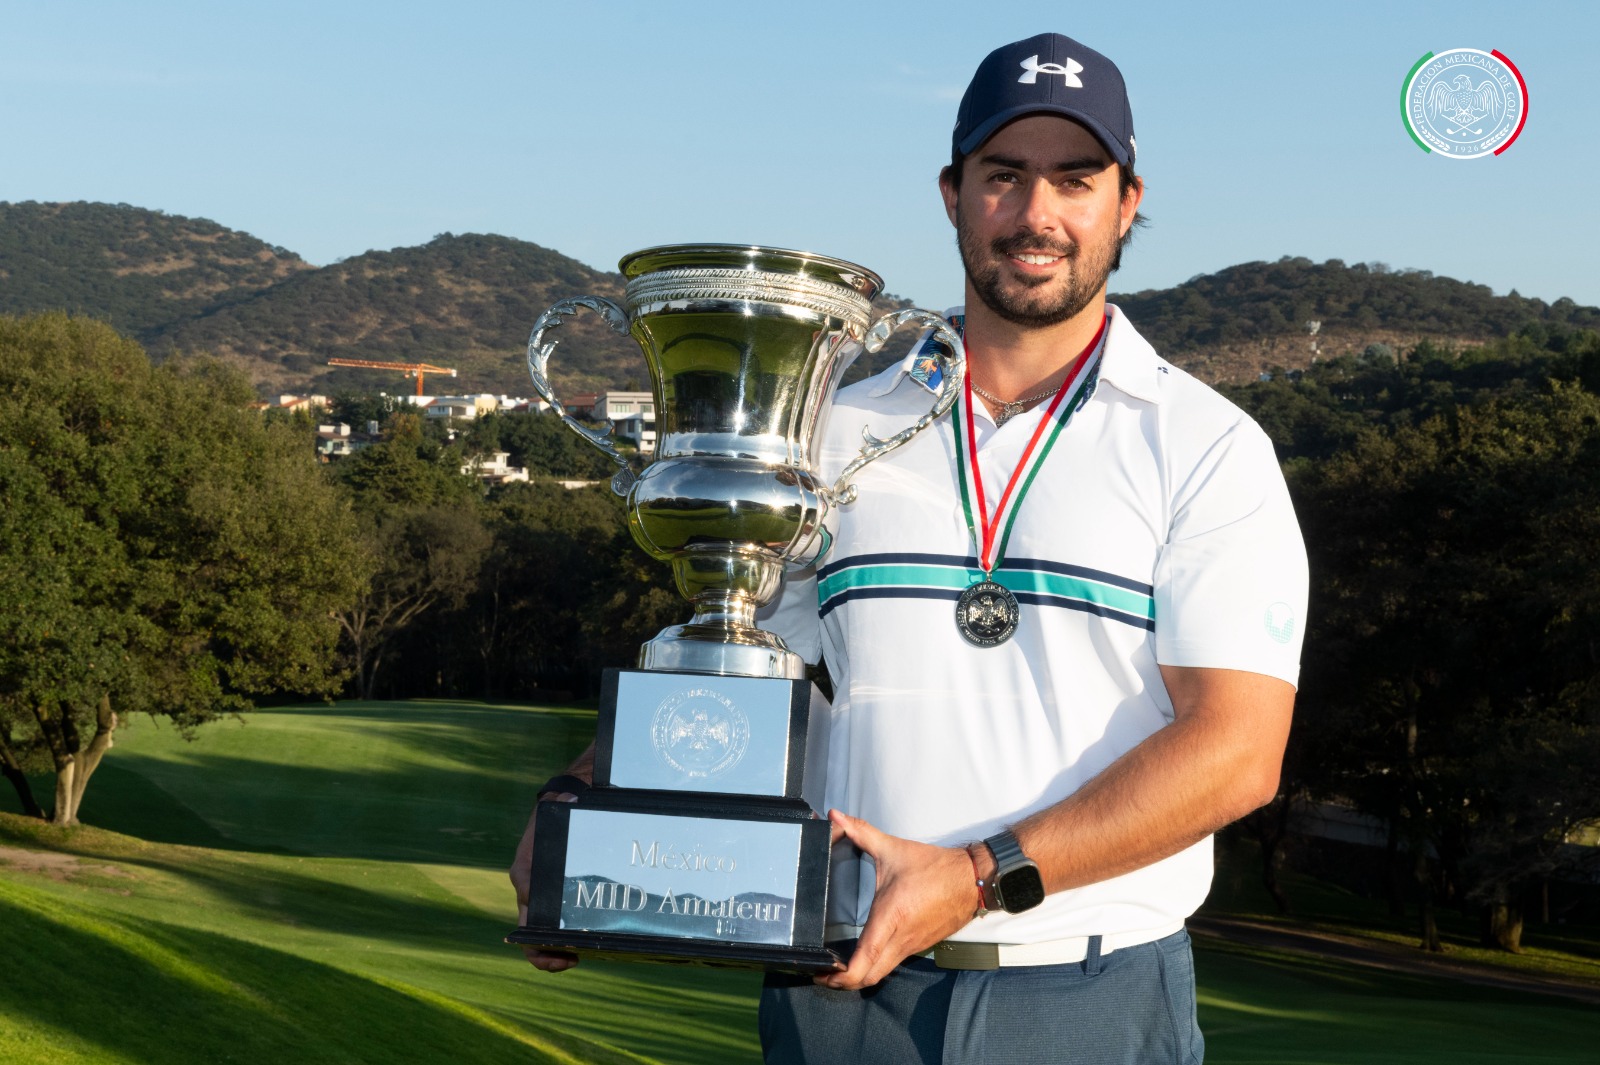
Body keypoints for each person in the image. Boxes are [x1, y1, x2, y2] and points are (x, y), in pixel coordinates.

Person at [514, 31, 1308, 1065]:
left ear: (1126, 200)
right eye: (1003, 177)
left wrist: (978, 874)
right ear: (952, 193)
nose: (1036, 215)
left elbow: (1236, 754)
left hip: (1091, 999)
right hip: (844, 993)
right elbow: (756, 670)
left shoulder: (1206, 448)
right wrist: (584, 805)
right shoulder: (833, 431)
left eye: (1075, 180)